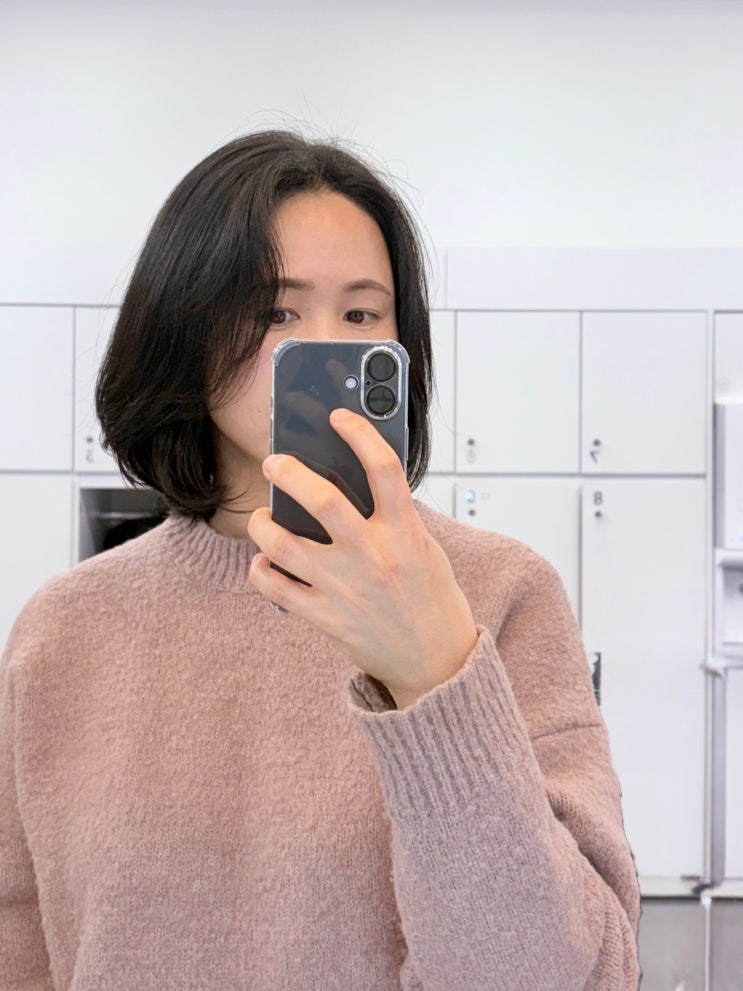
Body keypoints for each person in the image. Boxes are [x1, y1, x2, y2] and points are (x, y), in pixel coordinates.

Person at [0, 130, 640, 991]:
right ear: (183, 325)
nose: (321, 346)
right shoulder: (62, 630)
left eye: (361, 314)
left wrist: (435, 675)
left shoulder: (501, 593)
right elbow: (23, 947)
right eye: (275, 312)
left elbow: (565, 976)